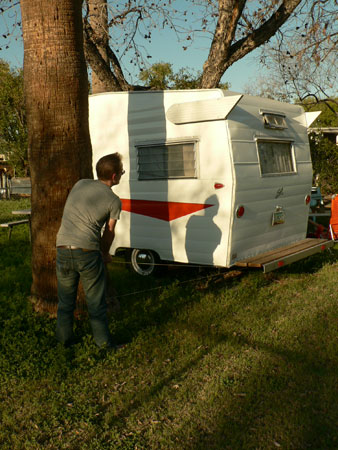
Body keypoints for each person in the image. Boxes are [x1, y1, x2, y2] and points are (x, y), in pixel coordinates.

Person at [55, 153, 124, 348]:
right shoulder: (114, 201)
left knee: (65, 303)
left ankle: (63, 342)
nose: (121, 175)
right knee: (96, 303)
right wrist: (105, 254)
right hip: (87, 253)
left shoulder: (80, 184)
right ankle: (104, 345)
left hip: (62, 248)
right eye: (121, 172)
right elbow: (108, 232)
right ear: (114, 176)